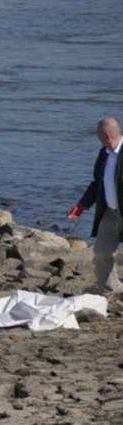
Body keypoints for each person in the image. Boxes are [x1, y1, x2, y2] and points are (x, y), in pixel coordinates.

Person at [68, 117, 123, 302]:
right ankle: (111, 290)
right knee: (101, 252)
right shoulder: (104, 153)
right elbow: (96, 184)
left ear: (108, 136)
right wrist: (81, 206)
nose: (98, 140)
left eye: (99, 136)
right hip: (110, 212)